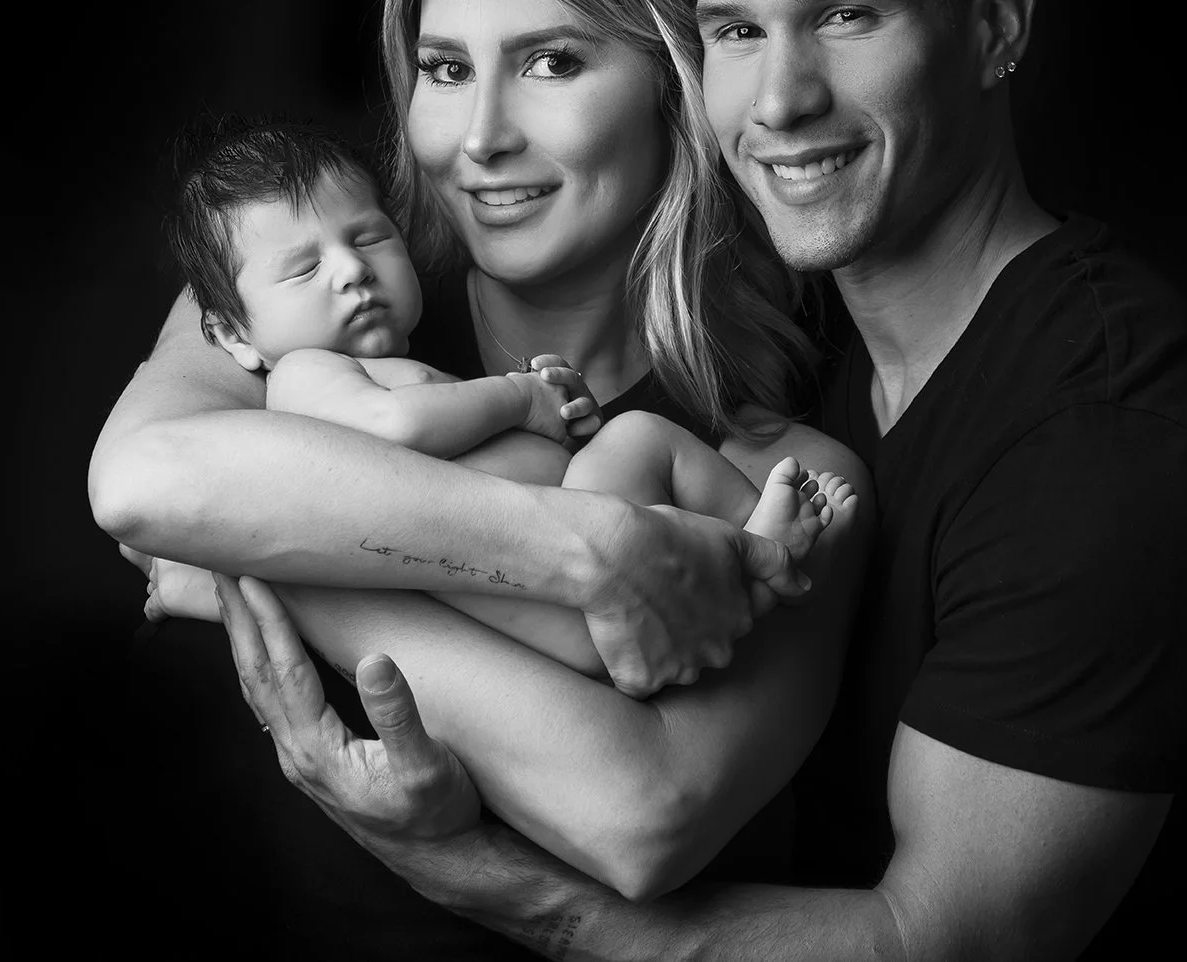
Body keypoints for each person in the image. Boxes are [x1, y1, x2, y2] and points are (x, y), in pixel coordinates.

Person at [212, 0, 1187, 961]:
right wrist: (566, 549)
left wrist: (455, 855)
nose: (781, 98)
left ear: (997, 28)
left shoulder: (1062, 437)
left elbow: (932, 940)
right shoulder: (334, 291)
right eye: (737, 31)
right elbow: (145, 480)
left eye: (847, 15)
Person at [89, 0, 873, 948]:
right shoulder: (298, 283)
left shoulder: (786, 478)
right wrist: (588, 551)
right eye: (446, 70)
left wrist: (245, 554)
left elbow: (643, 817)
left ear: (675, 83)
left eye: (551, 62)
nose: (480, 139)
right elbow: (142, 481)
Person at [145, 113, 853, 682]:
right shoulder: (304, 374)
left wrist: (564, 424)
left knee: (637, 439)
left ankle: (748, 540)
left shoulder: (401, 366)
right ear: (232, 335)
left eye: (369, 237)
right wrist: (519, 397)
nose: (351, 271)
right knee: (639, 439)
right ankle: (753, 551)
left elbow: (480, 455)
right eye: (304, 268)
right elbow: (391, 427)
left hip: (606, 564)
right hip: (561, 596)